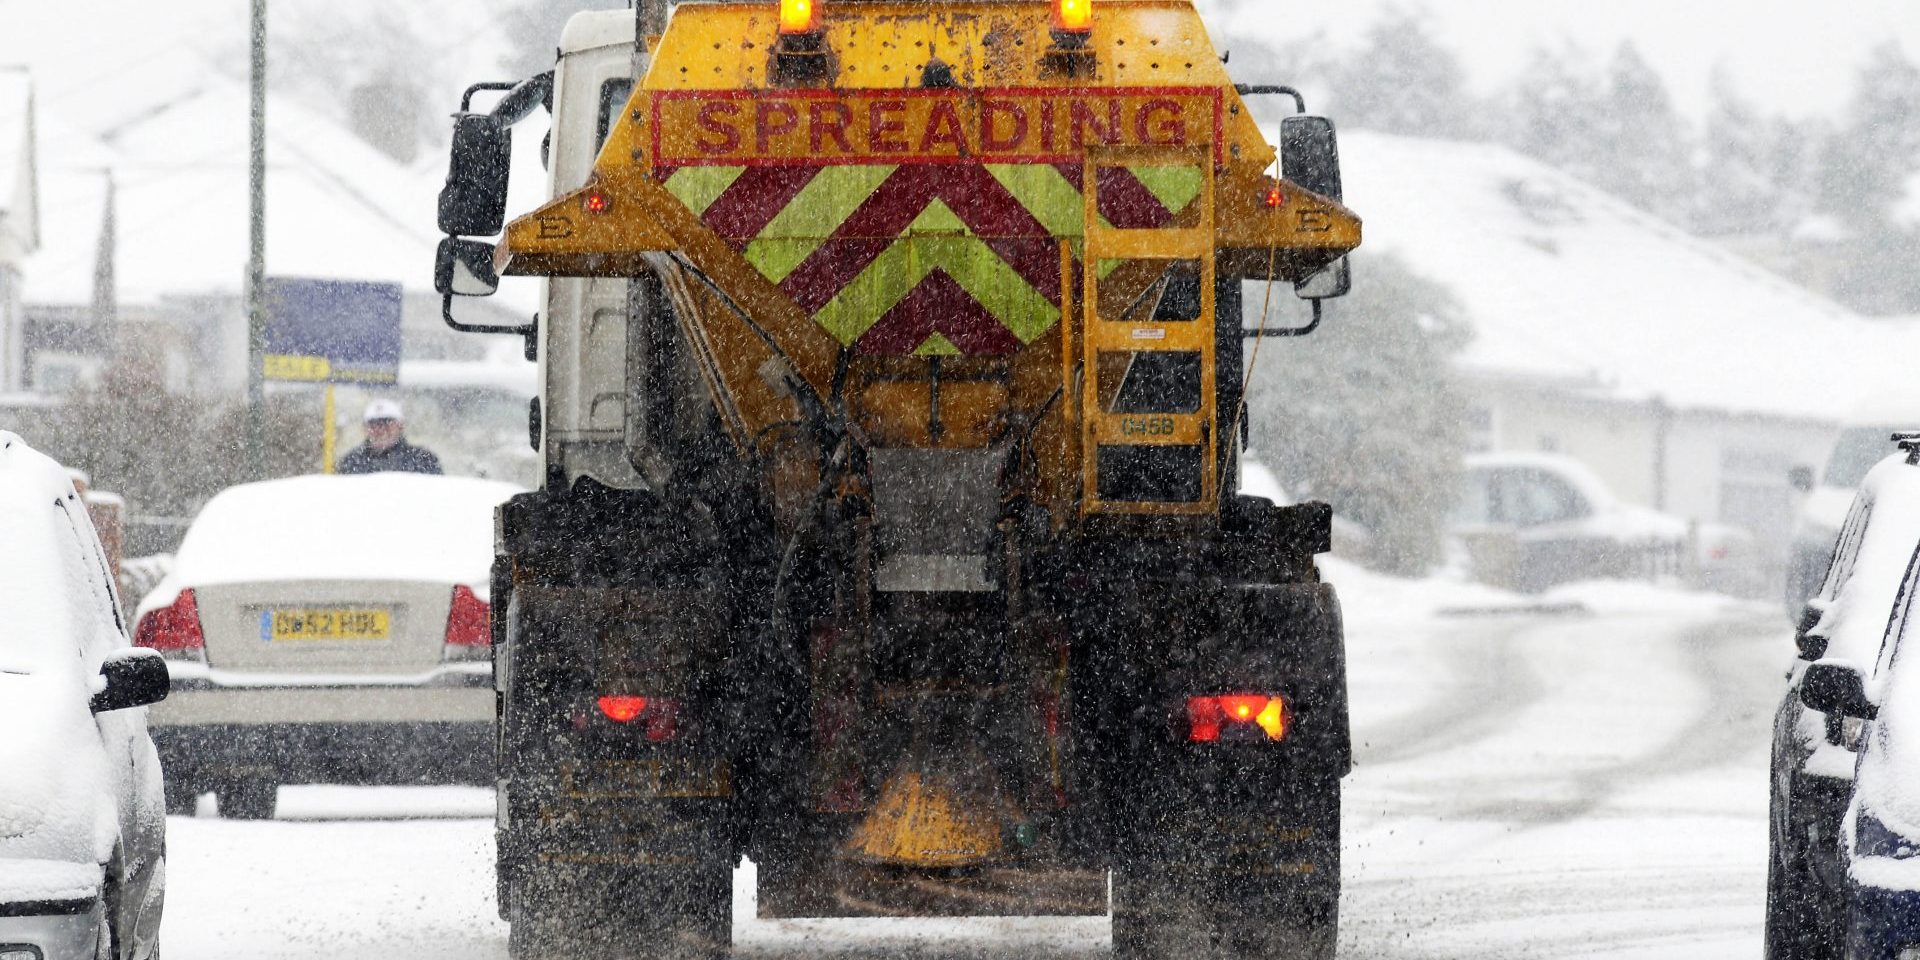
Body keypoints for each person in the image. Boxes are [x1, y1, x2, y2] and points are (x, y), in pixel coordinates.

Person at [336, 399, 443, 475]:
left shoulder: (423, 460)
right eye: (374, 424)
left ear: (400, 426)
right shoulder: (351, 462)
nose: (381, 429)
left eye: (387, 422)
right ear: (364, 429)